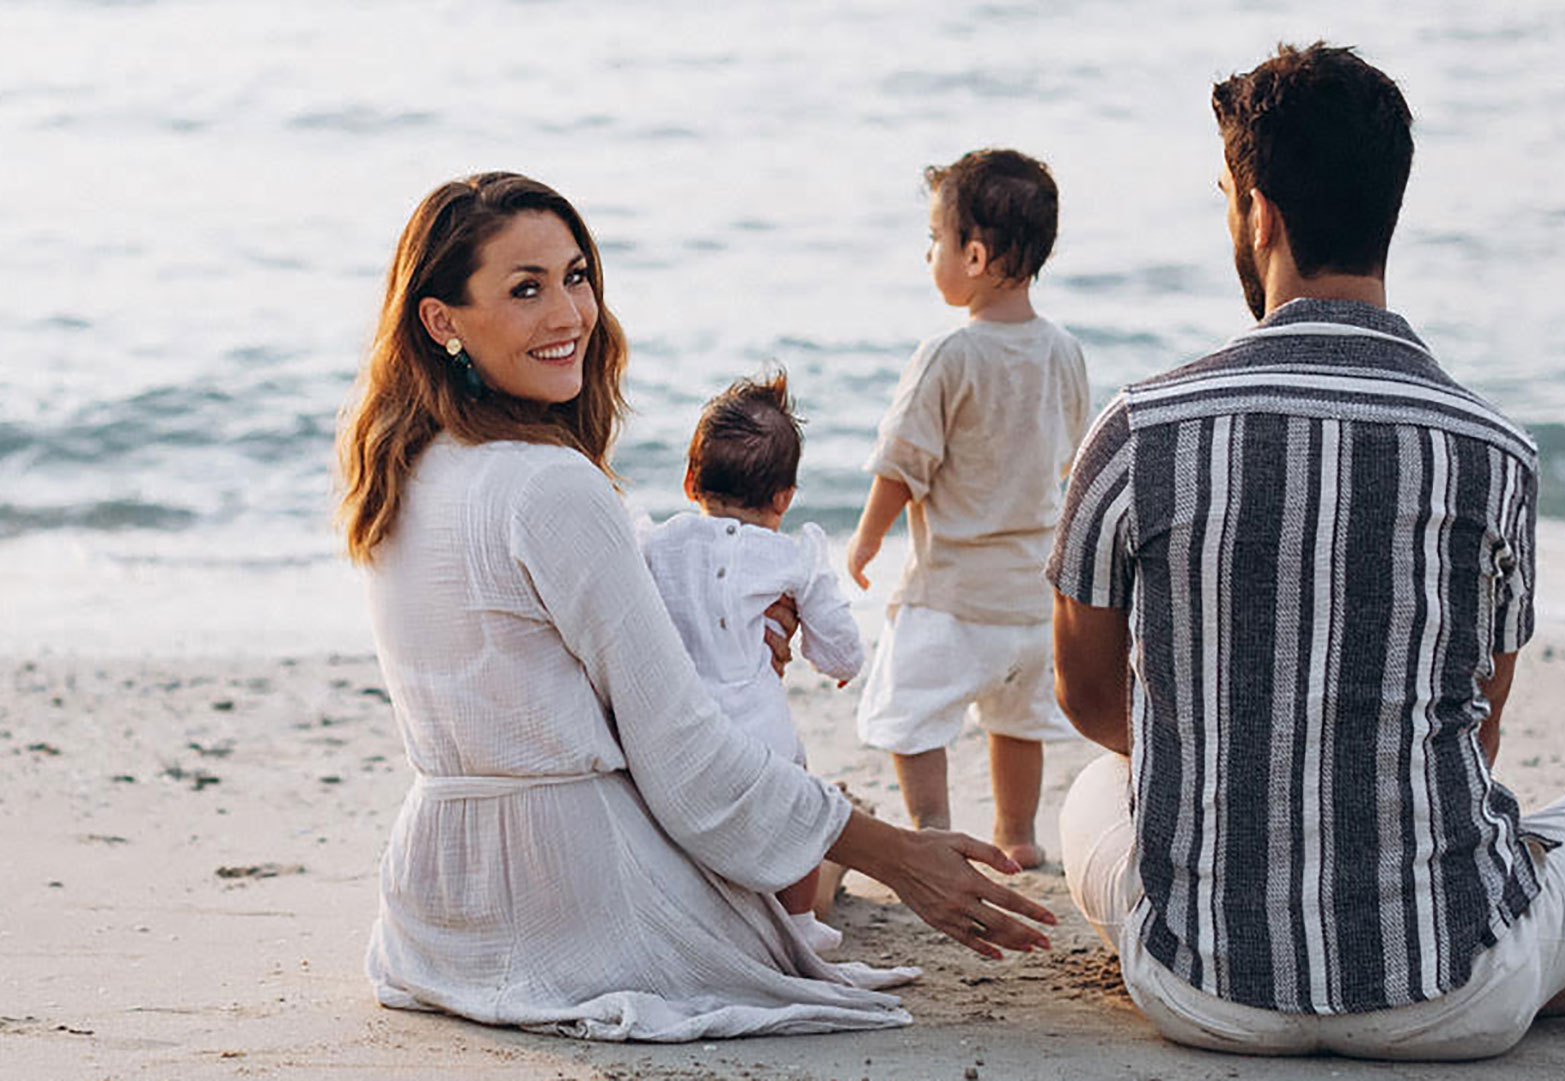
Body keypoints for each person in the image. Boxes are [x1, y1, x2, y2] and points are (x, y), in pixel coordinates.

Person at [1048, 44, 1565, 1060]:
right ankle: (1544, 953)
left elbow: (1088, 698)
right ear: (1388, 204)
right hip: (1452, 995)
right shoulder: (1492, 449)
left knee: (1093, 792)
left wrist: (1238, 758)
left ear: (1259, 213)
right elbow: (1480, 727)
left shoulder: (1139, 431)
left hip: (1201, 988)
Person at [337, 171, 1053, 1043]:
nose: (569, 314)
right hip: (575, 893)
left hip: (438, 903)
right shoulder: (550, 484)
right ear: (441, 319)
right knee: (796, 868)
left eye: (576, 277)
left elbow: (525, 682)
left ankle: (819, 836)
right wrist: (896, 852)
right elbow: (685, 762)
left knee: (793, 836)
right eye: (525, 289)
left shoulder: (399, 471)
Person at [847, 148, 1091, 869]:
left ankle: (933, 829)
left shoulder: (948, 354)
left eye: (935, 240)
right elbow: (1073, 461)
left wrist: (865, 540)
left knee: (912, 713)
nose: (929, 254)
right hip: (1031, 600)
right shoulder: (1064, 351)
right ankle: (1018, 834)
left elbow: (903, 463)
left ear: (975, 256)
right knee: (1017, 721)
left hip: (951, 595)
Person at [644, 369, 862, 949]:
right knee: (800, 807)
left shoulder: (656, 544)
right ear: (784, 497)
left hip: (678, 734)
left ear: (690, 481)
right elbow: (840, 645)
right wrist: (840, 666)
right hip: (761, 739)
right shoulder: (792, 557)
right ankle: (799, 922)